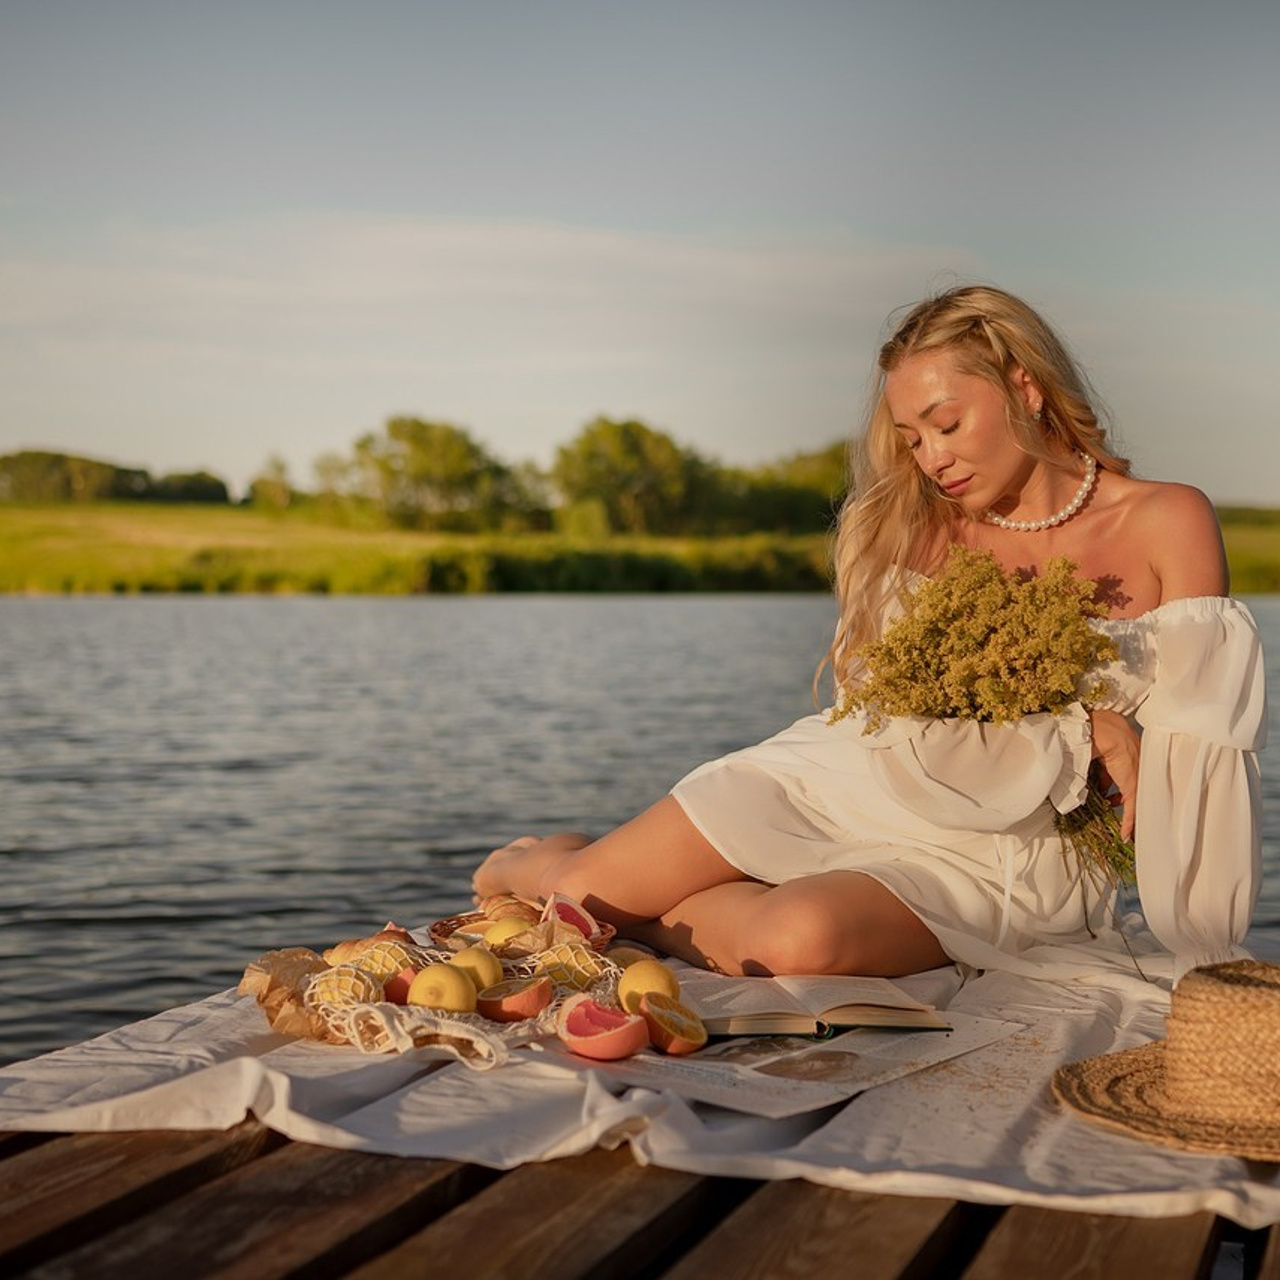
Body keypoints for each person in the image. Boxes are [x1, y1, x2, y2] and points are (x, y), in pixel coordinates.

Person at [473, 285, 1265, 983]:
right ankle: (539, 863)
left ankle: (633, 915)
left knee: (796, 940)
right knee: (578, 894)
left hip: (1009, 853)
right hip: (853, 779)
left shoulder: (1167, 519)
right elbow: (895, 720)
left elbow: (1206, 749)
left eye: (947, 424)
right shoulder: (905, 526)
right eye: (913, 438)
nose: (933, 459)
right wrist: (1081, 729)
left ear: (1025, 387)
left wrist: (1203, 938)